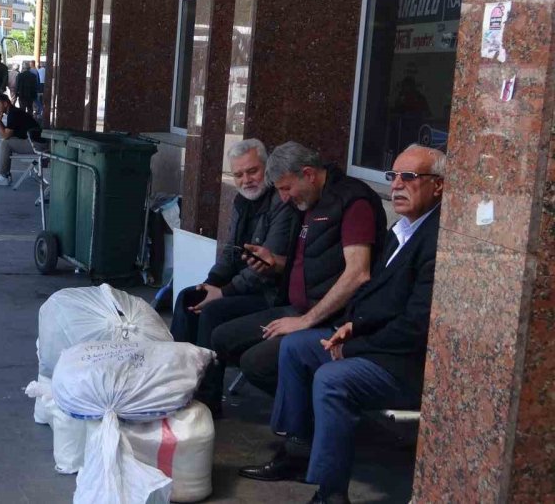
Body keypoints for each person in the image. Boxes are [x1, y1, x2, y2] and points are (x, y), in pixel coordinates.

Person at [239, 145, 445, 504]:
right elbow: (375, 297)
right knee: (295, 347)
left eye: (409, 177)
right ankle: (297, 450)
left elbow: (417, 325)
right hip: (374, 341)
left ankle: (330, 492)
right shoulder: (404, 229)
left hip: (404, 362)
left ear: (438, 186)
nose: (396, 186)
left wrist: (353, 346)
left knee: (333, 378)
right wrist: (350, 325)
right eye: (393, 176)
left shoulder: (437, 240)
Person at [209, 141, 386, 397]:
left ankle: (310, 410)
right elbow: (306, 260)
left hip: (330, 318)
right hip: (293, 306)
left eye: (286, 188)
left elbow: (358, 273)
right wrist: (274, 262)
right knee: (222, 337)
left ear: (309, 174)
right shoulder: (305, 201)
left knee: (255, 363)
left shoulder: (352, 200)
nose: (284, 197)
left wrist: (304, 321)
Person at [171, 139, 295, 415]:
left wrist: (223, 292)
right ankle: (176, 381)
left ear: (267, 169)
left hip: (269, 294)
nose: (246, 180)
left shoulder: (281, 203)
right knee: (189, 297)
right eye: (238, 174)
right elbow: (230, 251)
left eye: (252, 171)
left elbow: (264, 264)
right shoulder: (241, 201)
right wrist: (212, 282)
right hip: (241, 287)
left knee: (212, 310)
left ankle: (207, 401)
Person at [0, 94, 40, 186]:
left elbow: (5, 136)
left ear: (5, 104)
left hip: (36, 144)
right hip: (34, 141)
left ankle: (3, 176)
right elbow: (6, 134)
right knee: (7, 141)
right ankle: (4, 174)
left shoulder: (13, 114)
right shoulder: (13, 112)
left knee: (5, 143)